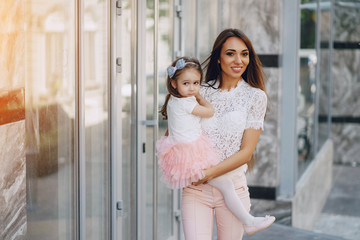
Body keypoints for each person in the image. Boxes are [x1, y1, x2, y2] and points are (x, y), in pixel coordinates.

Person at [156, 55, 275, 239]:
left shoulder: (253, 96)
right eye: (229, 53)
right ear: (219, 58)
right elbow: (180, 127)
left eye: (244, 54)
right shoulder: (196, 93)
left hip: (230, 181)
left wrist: (206, 172)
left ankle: (248, 221)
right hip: (196, 190)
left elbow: (246, 153)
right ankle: (249, 221)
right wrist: (198, 95)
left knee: (227, 186)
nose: (237, 59)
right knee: (225, 186)